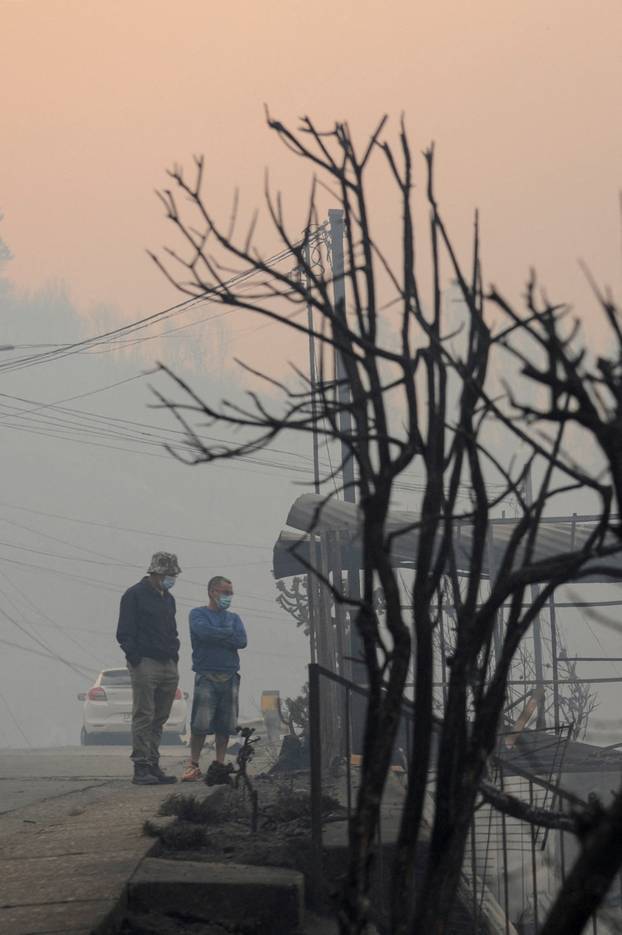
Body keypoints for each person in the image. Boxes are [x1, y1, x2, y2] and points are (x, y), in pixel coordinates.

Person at [116, 551, 182, 785]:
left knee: (160, 716)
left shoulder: (168, 598)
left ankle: (153, 763)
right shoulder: (134, 595)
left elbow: (172, 629)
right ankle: (141, 766)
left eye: (174, 574)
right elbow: (124, 631)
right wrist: (135, 658)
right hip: (145, 661)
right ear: (155, 572)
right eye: (168, 574)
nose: (171, 578)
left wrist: (174, 655)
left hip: (167, 662)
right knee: (144, 713)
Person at [181, 575, 247, 782]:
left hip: (229, 675)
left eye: (231, 593)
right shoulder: (197, 614)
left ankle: (219, 764)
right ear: (212, 592)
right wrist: (226, 635)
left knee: (225, 725)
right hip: (206, 674)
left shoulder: (234, 618)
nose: (229, 597)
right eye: (225, 592)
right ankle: (193, 765)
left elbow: (242, 640)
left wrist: (219, 635)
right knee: (200, 723)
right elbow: (203, 633)